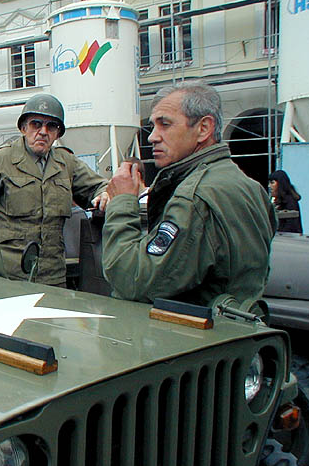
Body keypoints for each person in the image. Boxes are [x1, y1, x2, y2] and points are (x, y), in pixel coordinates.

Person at [102, 81, 277, 309]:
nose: (152, 137)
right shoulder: (249, 186)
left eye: (165, 125)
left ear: (203, 128)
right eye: (154, 126)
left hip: (197, 334)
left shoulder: (194, 196)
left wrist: (122, 202)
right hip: (238, 329)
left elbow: (131, 281)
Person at [0, 93, 110, 286]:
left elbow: (99, 186)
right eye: (36, 124)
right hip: (9, 275)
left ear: (57, 134)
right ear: (23, 128)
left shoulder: (67, 163)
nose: (43, 131)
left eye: (51, 126)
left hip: (53, 275)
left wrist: (104, 193)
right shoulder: (2, 160)